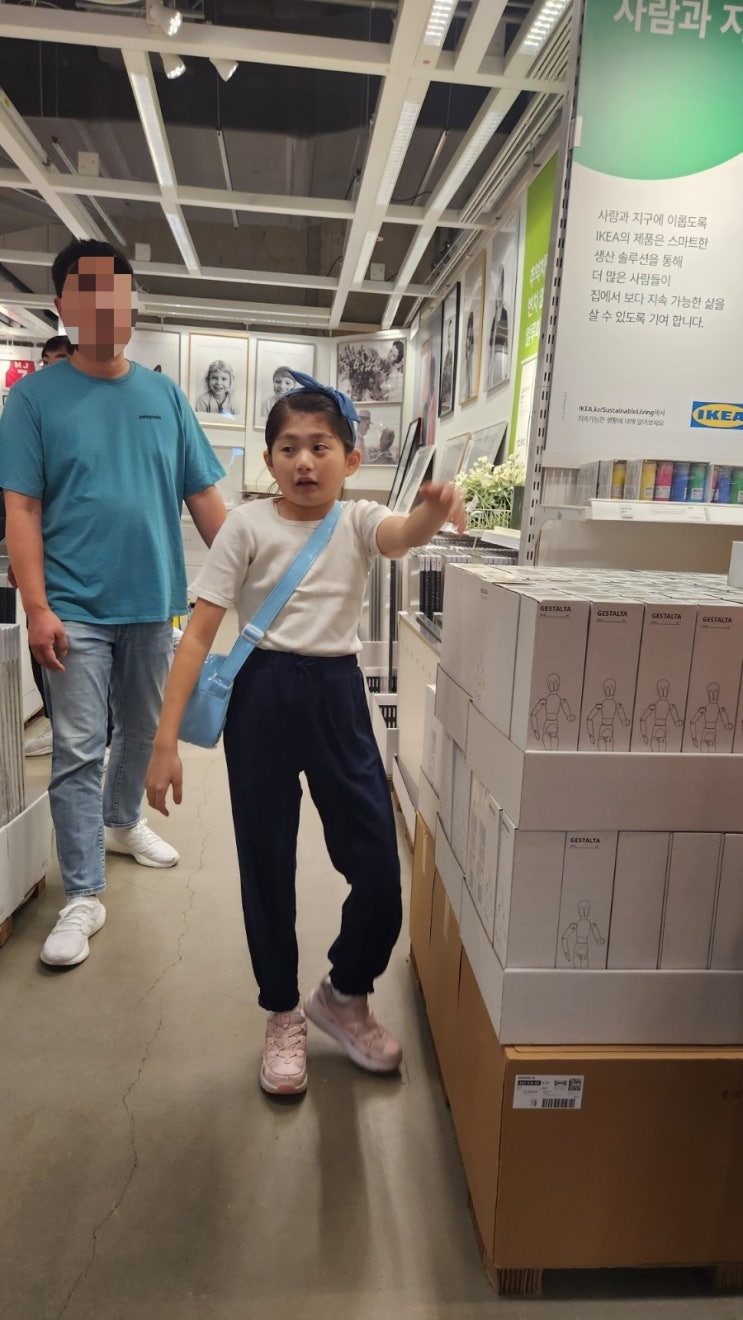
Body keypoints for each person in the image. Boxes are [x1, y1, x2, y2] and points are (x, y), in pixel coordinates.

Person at [144, 371, 466, 1097]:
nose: (304, 462)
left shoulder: (356, 520)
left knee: (377, 867)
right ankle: (282, 1012)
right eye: (288, 447)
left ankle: (344, 994)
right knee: (266, 864)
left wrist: (430, 509)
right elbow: (199, 634)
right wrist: (164, 743)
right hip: (259, 695)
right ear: (269, 460)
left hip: (336, 696)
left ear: (351, 459)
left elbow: (399, 537)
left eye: (321, 447)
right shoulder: (245, 526)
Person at [0, 239, 227, 969]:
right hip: (73, 606)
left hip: (153, 604)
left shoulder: (165, 397)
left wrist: (251, 576)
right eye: (88, 292)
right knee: (77, 747)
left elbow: (205, 499)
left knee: (141, 730)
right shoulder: (33, 400)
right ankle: (82, 894)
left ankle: (123, 822)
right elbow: (22, 508)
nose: (106, 306)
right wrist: (36, 606)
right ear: (62, 305)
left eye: (118, 292)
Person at [23, 335, 74, 755]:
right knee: (44, 653)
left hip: (79, 573)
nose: (51, 366)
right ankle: (59, 727)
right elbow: (22, 505)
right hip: (45, 570)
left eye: (60, 359)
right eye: (46, 360)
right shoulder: (31, 409)